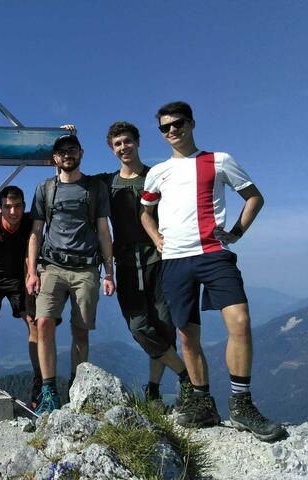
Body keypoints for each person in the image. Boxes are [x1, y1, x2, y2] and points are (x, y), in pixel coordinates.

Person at [141, 101, 285, 441]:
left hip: (215, 254)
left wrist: (236, 233)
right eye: (165, 127)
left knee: (240, 321)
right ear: (161, 133)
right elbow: (145, 212)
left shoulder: (219, 160)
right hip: (175, 260)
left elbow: (254, 197)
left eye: (177, 123)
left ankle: (241, 405)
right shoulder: (157, 172)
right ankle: (203, 402)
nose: (172, 130)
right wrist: (156, 238)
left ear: (191, 123)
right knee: (187, 336)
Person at [95, 121, 191, 406]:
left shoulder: (157, 175)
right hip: (125, 263)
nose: (124, 147)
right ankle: (187, 376)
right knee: (139, 326)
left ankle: (153, 391)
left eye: (127, 141)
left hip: (161, 259)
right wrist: (66, 137)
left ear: (137, 142)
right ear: (111, 149)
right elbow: (69, 176)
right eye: (117, 144)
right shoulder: (106, 182)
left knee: (164, 326)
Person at [26, 133, 115, 415]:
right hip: (51, 266)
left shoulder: (95, 188)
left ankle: (77, 389)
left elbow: (104, 232)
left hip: (86, 268)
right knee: (43, 323)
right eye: (62, 151)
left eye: (72, 149)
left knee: (81, 330)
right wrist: (31, 271)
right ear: (55, 158)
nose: (67, 154)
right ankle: (49, 391)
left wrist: (109, 273)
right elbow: (35, 233)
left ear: (81, 153)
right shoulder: (45, 189)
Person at [0, 186, 41, 405]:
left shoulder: (29, 223)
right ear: (0, 208)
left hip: (19, 279)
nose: (13, 211)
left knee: (33, 324)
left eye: (17, 206)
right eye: (7, 207)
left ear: (24, 206)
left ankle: (40, 384)